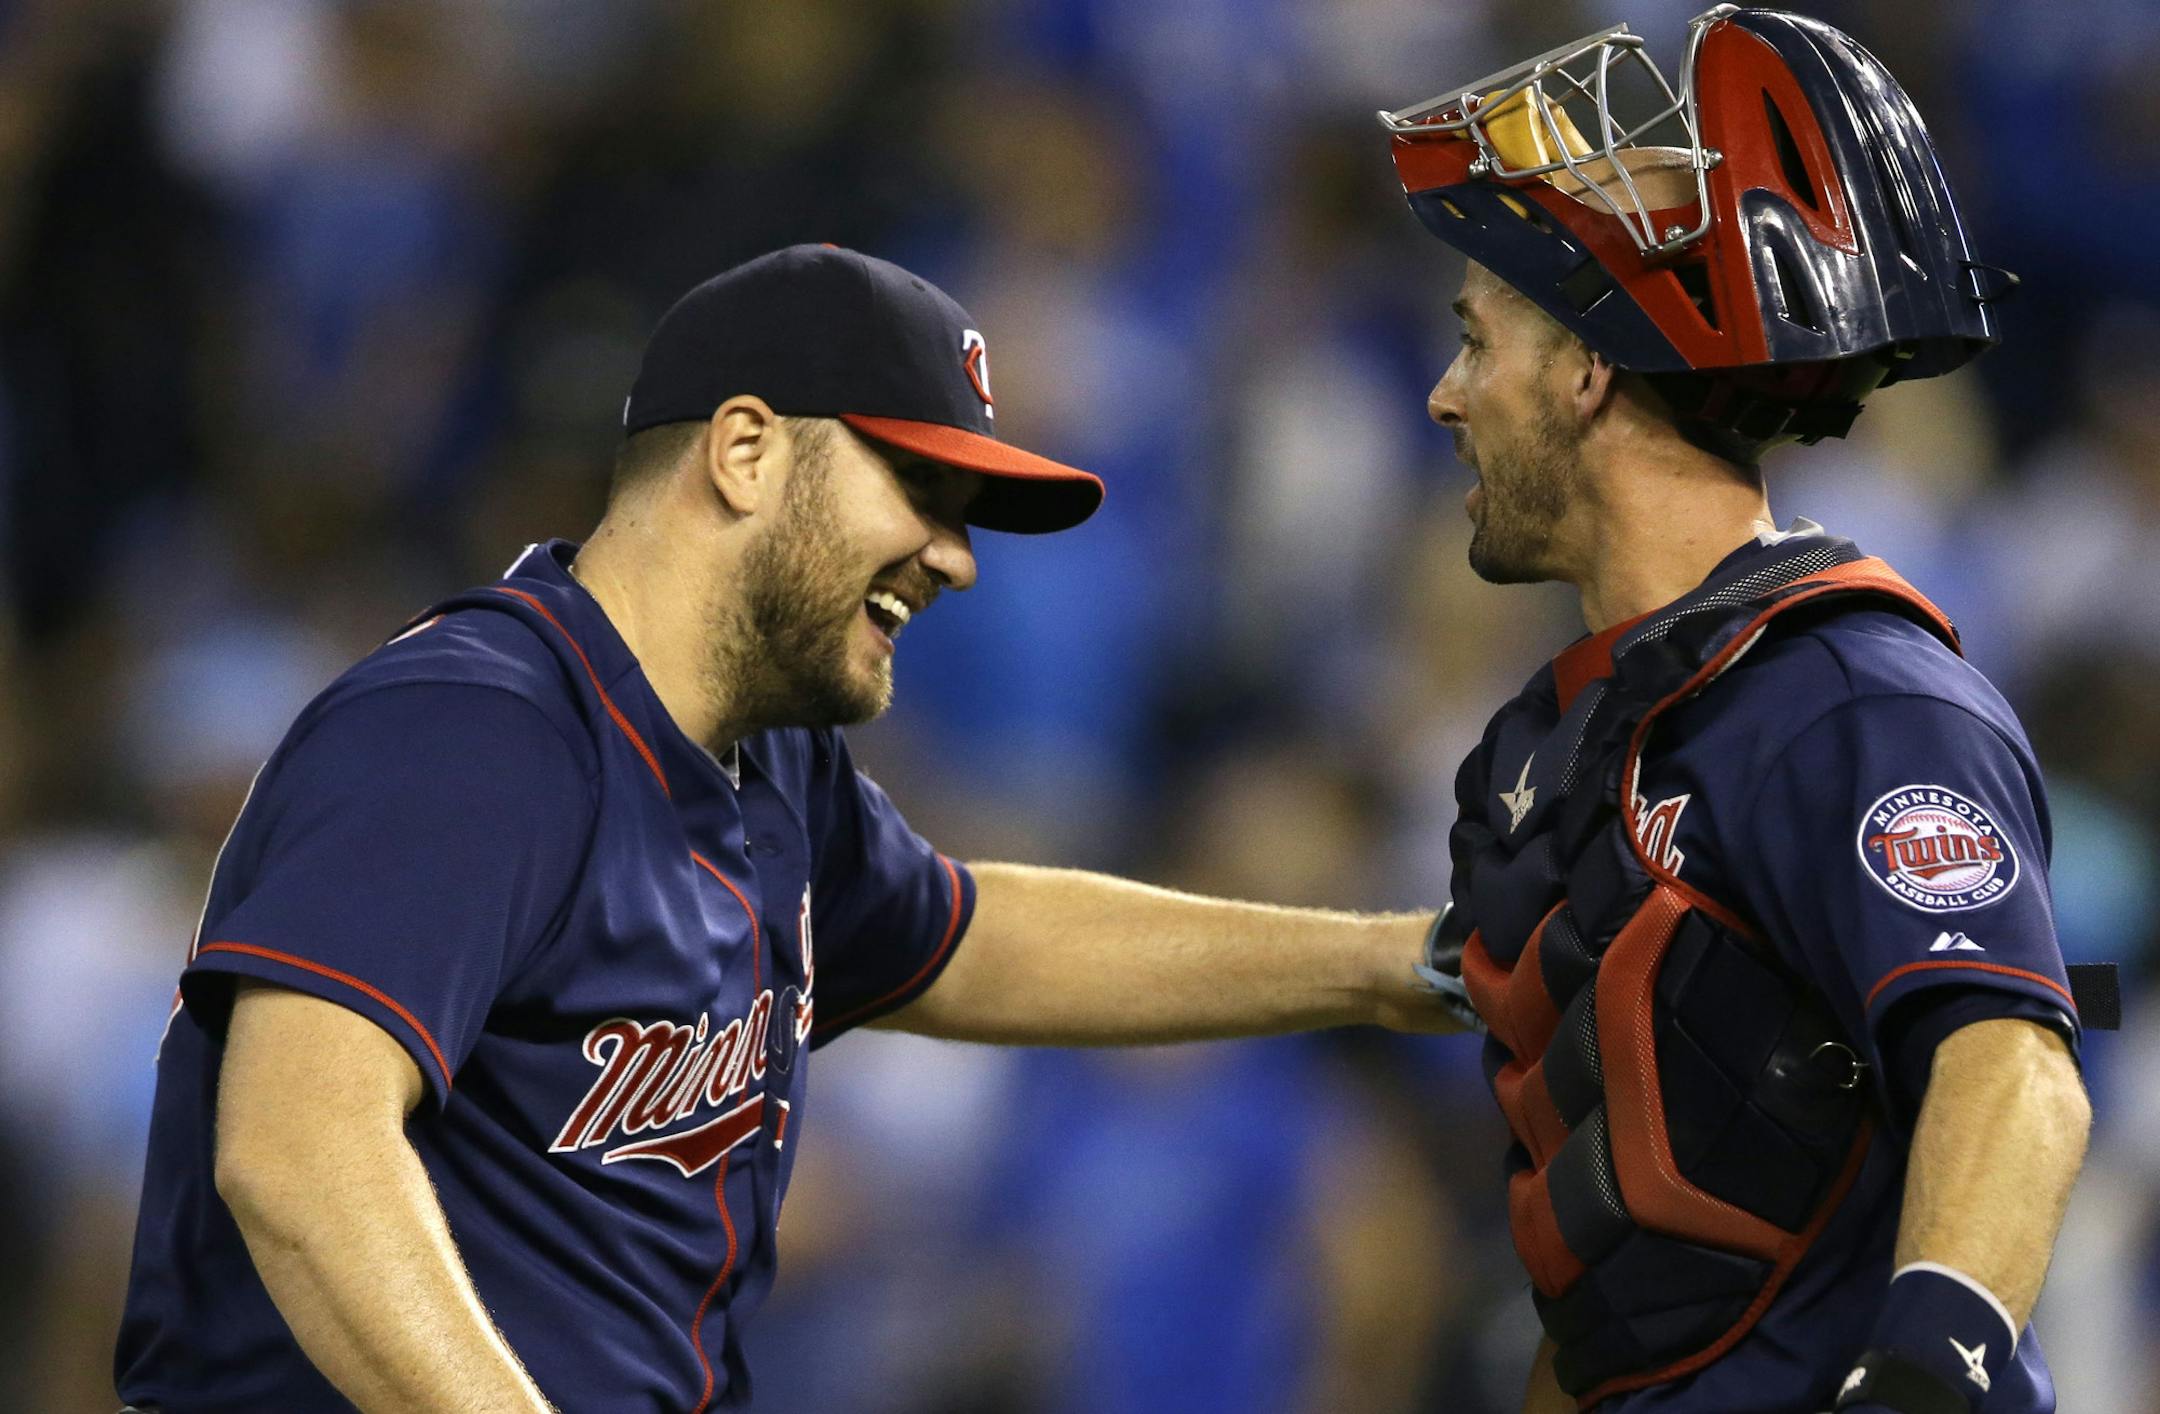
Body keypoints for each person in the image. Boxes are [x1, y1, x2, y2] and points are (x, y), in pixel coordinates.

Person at [111, 244, 1462, 1413]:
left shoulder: (770, 770)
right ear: (744, 449)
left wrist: (1393, 965)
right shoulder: (478, 729)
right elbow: (297, 1154)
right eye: (920, 487)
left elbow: (974, 940)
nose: (958, 554)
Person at [1377, 9, 2112, 1414]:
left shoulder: (1849, 698)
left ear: (1589, 370)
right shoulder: (1549, 746)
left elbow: (2014, 1071)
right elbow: (1622, 1295)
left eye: (1476, 344)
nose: (1443, 395)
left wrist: (1920, 1383)